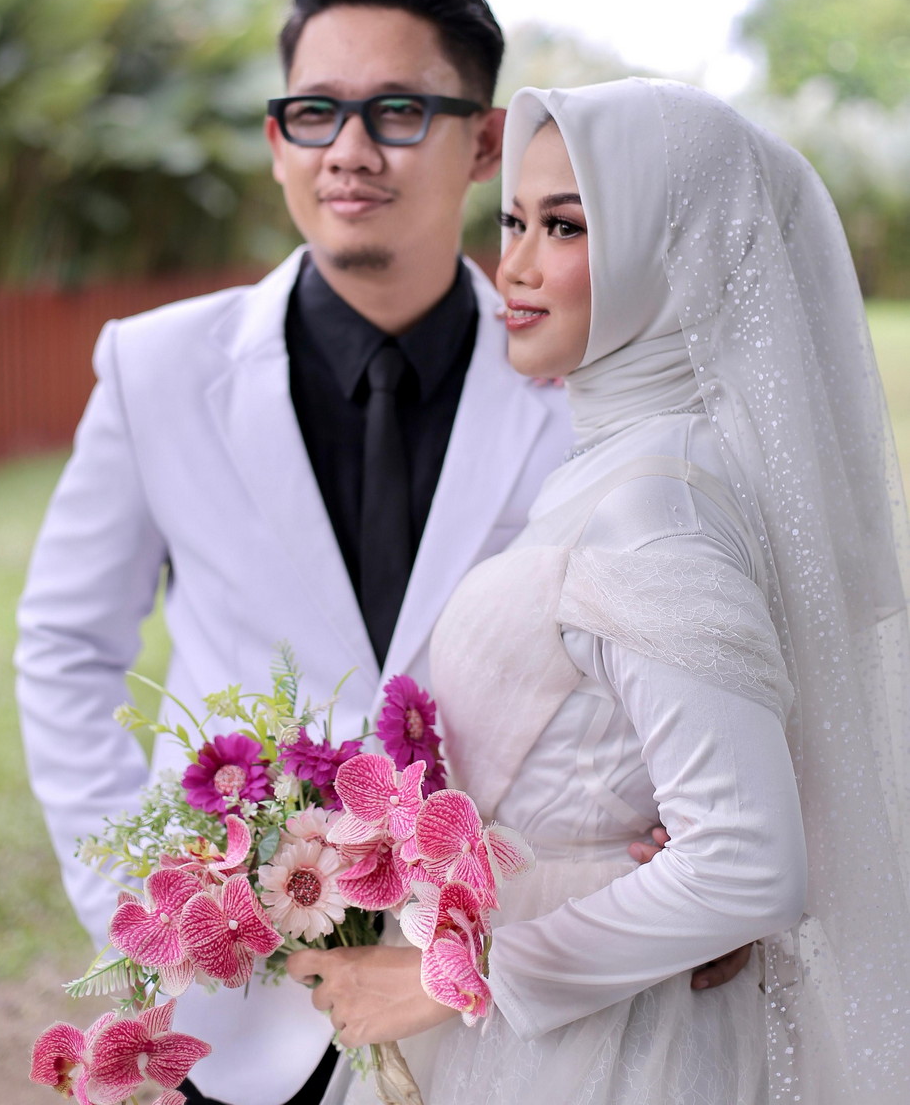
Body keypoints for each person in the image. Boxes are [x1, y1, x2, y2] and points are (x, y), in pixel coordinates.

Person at [15, 0, 744, 1105]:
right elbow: (65, 644)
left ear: (484, 141)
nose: (348, 150)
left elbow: (668, 636)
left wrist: (676, 857)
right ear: (276, 140)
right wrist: (137, 898)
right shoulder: (154, 369)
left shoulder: (588, 383)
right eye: (313, 112)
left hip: (495, 989)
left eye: (397, 110)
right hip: (237, 991)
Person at [289, 79, 910, 1104]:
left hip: (595, 1051)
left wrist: (457, 976)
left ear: (670, 257)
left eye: (566, 226)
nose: (515, 266)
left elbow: (746, 863)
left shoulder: (653, 507)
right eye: (513, 222)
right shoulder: (632, 464)